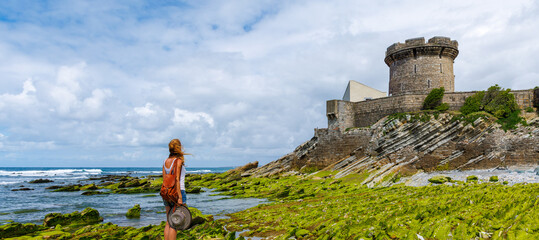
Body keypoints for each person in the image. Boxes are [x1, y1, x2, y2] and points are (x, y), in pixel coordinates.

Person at [162, 138, 187, 240]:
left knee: (169, 221)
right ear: (179, 147)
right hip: (178, 192)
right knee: (175, 223)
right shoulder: (178, 161)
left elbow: (165, 179)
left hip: (166, 192)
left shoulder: (165, 161)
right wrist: (180, 197)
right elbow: (176, 179)